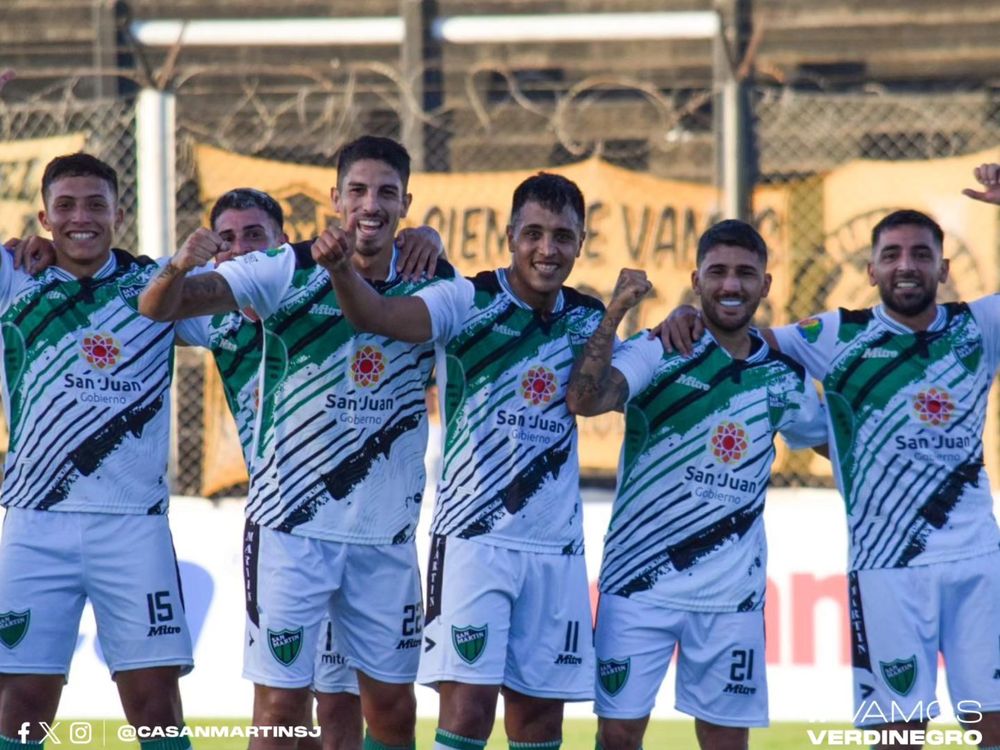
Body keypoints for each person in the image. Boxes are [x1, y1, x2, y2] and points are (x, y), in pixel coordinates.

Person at [662, 164, 1000, 749]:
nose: (906, 265)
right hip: (885, 568)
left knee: (992, 725)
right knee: (898, 737)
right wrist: (688, 315)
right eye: (891, 255)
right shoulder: (836, 335)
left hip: (978, 562)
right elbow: (738, 338)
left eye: (921, 254)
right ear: (871, 271)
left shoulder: (978, 326)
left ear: (944, 269)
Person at [139, 135, 456, 750]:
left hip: (381, 532)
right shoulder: (252, 293)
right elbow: (153, 301)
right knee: (283, 713)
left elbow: (388, 309)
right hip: (292, 526)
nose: (239, 250)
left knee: (361, 709)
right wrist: (180, 263)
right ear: (335, 198)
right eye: (227, 240)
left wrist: (429, 241)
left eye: (253, 236)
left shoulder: (426, 281)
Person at [314, 172, 606, 750]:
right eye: (534, 234)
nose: (547, 250)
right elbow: (377, 316)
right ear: (510, 235)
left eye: (562, 236)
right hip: (474, 541)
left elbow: (596, 397)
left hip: (556, 547)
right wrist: (345, 268)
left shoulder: (588, 317)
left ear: (581, 242)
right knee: (467, 712)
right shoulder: (464, 300)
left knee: (540, 722)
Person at [563, 219, 827, 750]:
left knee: (726, 743)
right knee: (618, 738)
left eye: (745, 274)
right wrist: (617, 310)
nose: (731, 285)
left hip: (732, 600)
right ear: (696, 279)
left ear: (765, 284)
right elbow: (585, 400)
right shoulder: (659, 349)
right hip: (638, 585)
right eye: (718, 272)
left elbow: (834, 445)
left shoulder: (784, 376)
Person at [0, 153, 195, 749]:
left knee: (155, 703)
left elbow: (255, 296)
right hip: (35, 522)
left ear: (118, 215)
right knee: (21, 703)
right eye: (65, 206)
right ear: (43, 217)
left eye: (94, 205)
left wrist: (415, 246)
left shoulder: (157, 285)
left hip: (132, 525)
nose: (79, 218)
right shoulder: (13, 277)